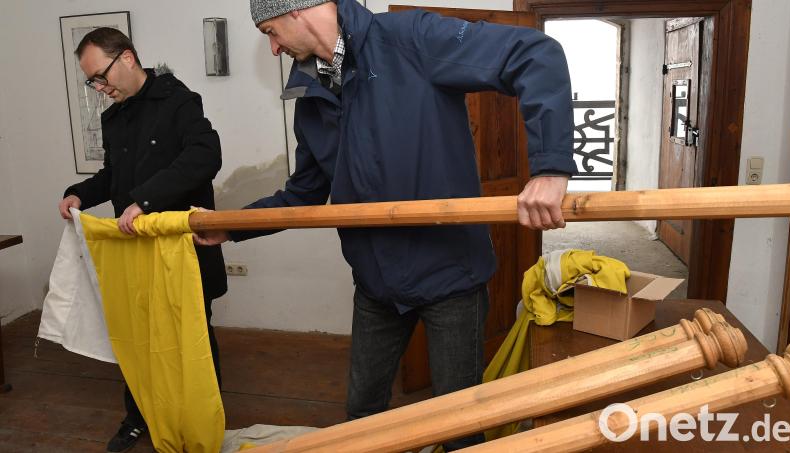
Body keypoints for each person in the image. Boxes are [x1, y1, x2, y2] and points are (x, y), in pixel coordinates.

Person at [195, 0, 575, 449]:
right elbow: (302, 195)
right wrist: (232, 227)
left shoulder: (409, 38)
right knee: (362, 416)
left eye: (271, 32)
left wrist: (550, 169)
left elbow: (535, 53)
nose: (274, 48)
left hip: (450, 275)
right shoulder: (312, 99)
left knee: (458, 423)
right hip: (376, 282)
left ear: (298, 10)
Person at [58, 27, 227, 453]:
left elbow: (206, 156)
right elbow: (114, 176)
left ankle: (203, 421)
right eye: (92, 81)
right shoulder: (112, 117)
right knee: (138, 338)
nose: (100, 88)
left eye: (101, 76)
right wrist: (79, 193)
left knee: (193, 337)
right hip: (136, 252)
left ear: (128, 59)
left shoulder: (179, 100)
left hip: (182, 251)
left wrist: (145, 201)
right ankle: (138, 417)